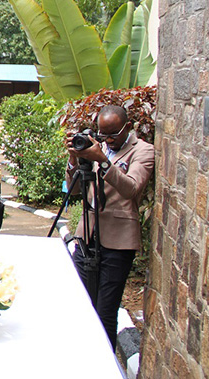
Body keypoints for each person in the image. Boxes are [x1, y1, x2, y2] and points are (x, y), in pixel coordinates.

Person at [64, 105, 154, 351]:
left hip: (118, 242)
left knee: (105, 310)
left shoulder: (143, 151)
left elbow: (132, 189)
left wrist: (102, 161)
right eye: (103, 134)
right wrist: (75, 159)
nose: (108, 140)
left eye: (113, 134)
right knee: (81, 303)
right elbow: (74, 190)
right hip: (87, 236)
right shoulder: (97, 145)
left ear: (128, 127)